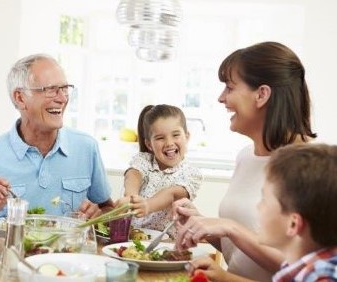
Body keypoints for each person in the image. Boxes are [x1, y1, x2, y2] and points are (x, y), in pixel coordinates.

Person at [173, 41, 317, 281]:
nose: (221, 98)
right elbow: (240, 253)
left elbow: (302, 268)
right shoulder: (246, 156)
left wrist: (230, 227)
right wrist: (202, 225)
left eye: (229, 87)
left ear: (261, 94)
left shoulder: (309, 168)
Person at [0, 53, 114, 222]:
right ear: (20, 98)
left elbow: (108, 209)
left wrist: (98, 215)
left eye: (65, 88)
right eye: (51, 90)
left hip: (70, 249)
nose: (62, 98)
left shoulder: (86, 147)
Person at [187, 143, 337, 282]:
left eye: (264, 200)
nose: (258, 207)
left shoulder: (319, 277)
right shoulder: (305, 266)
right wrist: (224, 277)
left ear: (293, 224)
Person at [116, 104, 203, 238]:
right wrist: (130, 198)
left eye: (175, 135)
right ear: (149, 144)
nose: (169, 143)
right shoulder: (144, 160)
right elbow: (133, 175)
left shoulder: (191, 173)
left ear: (187, 137)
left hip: (167, 244)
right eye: (160, 138)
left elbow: (172, 193)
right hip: (132, 240)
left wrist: (147, 205)